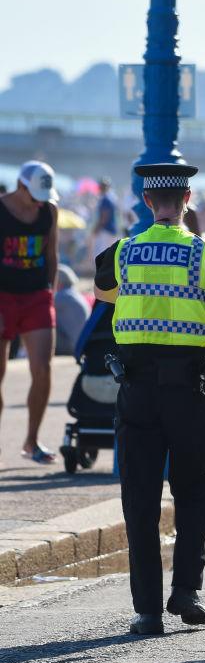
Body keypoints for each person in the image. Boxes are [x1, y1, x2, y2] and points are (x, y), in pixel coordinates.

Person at [93, 163, 205, 635]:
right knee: (194, 494)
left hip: (136, 391)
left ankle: (146, 611)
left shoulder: (121, 252)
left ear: (146, 201)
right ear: (188, 200)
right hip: (188, 391)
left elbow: (105, 296)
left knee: (139, 498)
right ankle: (187, 593)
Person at [0, 161, 60, 464]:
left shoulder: (49, 210)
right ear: (20, 186)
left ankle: (32, 441)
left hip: (36, 295)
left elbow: (52, 255)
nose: (39, 201)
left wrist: (51, 292)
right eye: (34, 195)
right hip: (2, 297)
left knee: (43, 369)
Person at [54, 264, 89, 355]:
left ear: (58, 281)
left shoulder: (62, 296)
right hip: (83, 344)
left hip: (71, 346)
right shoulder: (75, 294)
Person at [92, 177, 119, 259]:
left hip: (106, 230)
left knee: (102, 254)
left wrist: (96, 228)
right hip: (110, 229)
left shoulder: (106, 199)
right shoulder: (110, 198)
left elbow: (104, 217)